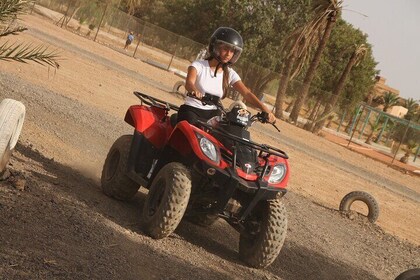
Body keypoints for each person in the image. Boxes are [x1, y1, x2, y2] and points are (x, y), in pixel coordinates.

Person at [177, 27, 276, 125]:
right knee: (189, 129)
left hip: (214, 114)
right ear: (215, 47)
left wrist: (265, 110)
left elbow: (246, 93)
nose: (228, 54)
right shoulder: (198, 66)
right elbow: (189, 83)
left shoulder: (230, 73)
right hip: (192, 110)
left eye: (232, 51)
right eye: (225, 49)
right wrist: (195, 90)